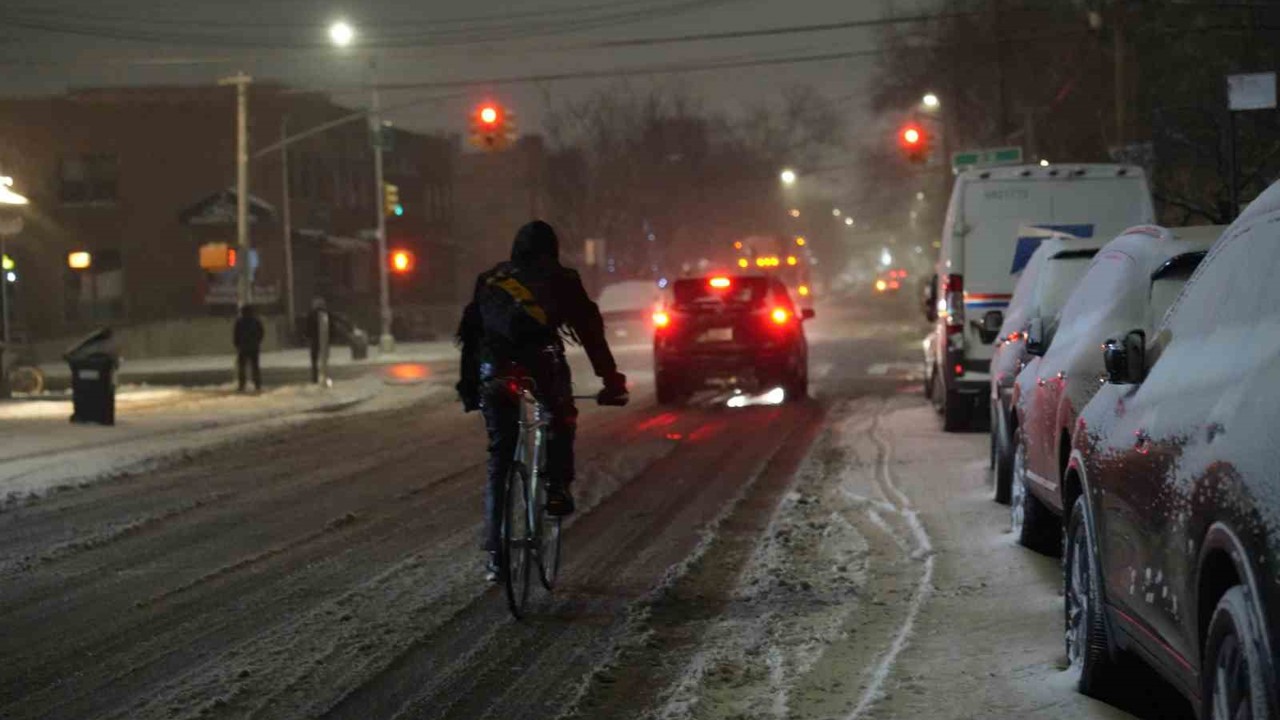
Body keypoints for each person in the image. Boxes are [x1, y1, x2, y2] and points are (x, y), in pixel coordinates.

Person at [456, 220, 629, 581]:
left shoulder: (490, 278)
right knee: (560, 412)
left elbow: (472, 334)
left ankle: (495, 555)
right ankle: (555, 487)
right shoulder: (562, 278)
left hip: (495, 367)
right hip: (541, 360)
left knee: (500, 456)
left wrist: (470, 386)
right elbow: (590, 331)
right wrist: (611, 381)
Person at [233, 304, 264, 392]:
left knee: (242, 367)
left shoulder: (240, 322)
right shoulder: (256, 321)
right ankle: (257, 384)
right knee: (255, 367)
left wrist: (237, 344)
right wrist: (257, 341)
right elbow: (261, 333)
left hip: (243, 347)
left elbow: (236, 335)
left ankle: (242, 385)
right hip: (254, 347)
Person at [305, 297, 331, 386]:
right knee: (324, 360)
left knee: (314, 360)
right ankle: (325, 377)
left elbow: (307, 327)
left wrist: (307, 337)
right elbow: (330, 326)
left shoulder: (311, 314)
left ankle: (315, 378)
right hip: (324, 339)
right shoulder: (325, 314)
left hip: (314, 340)